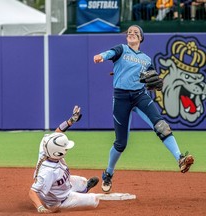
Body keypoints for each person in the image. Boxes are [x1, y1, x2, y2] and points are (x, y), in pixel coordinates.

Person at [93, 25, 194, 193]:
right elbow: (110, 53)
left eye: (136, 33)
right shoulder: (122, 49)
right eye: (130, 32)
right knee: (121, 143)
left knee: (161, 126)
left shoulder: (147, 59)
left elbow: (152, 80)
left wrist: (156, 82)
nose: (132, 33)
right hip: (121, 98)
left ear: (141, 38)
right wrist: (101, 57)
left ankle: (180, 159)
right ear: (127, 37)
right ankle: (108, 174)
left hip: (140, 96)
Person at [29, 105, 100, 213]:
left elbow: (57, 132)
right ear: (57, 152)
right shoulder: (48, 172)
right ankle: (62, 203)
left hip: (60, 184)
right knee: (95, 200)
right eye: (65, 148)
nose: (66, 150)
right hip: (59, 200)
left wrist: (71, 120)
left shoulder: (46, 147)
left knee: (83, 182)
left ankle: (83, 190)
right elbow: (32, 192)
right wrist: (41, 208)